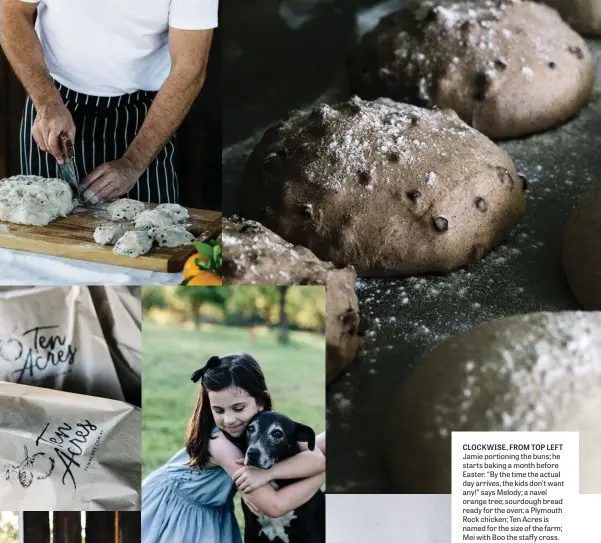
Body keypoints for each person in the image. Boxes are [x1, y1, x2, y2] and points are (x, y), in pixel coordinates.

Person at [0, 0, 218, 204]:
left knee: (152, 236)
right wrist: (46, 102)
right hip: (51, 105)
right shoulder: (48, 103)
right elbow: (11, 10)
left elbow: (189, 68)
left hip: (145, 117)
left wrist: (133, 162)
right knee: (42, 236)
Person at [141, 353, 326, 543]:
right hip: (176, 510)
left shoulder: (262, 426)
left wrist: (267, 474)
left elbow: (317, 458)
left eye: (238, 408)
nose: (229, 420)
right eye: (219, 410)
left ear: (261, 402)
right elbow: (274, 505)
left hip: (211, 510)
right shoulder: (218, 442)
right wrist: (317, 477)